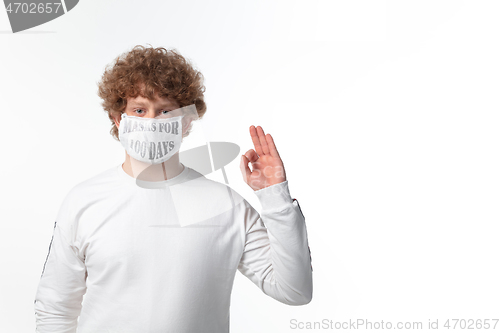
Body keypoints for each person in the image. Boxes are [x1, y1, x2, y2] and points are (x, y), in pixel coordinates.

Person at [34, 45, 313, 333]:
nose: (151, 121)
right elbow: (55, 308)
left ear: (187, 122)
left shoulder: (226, 205)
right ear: (119, 119)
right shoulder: (84, 201)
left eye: (165, 111)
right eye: (139, 109)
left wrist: (275, 196)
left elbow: (295, 290)